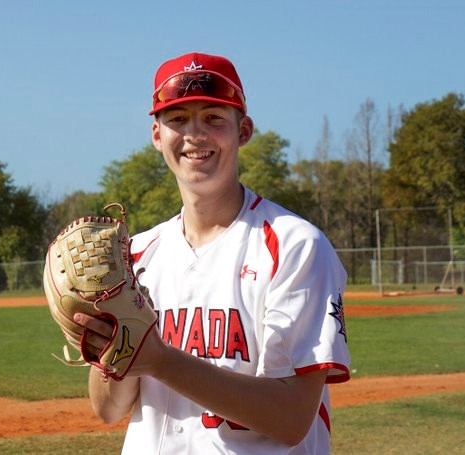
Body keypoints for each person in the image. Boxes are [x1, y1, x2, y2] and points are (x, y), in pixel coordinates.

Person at [75, 52, 350, 454]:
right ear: (157, 135)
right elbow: (108, 409)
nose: (195, 134)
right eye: (178, 119)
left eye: (214, 118)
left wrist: (158, 359)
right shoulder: (134, 256)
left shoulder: (294, 246)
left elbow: (291, 418)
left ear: (244, 130)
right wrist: (110, 355)